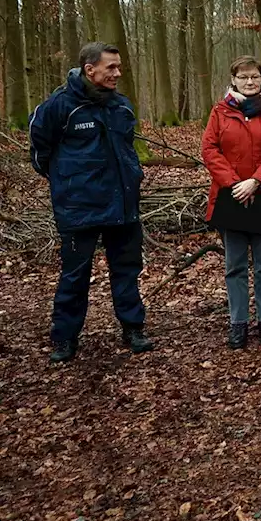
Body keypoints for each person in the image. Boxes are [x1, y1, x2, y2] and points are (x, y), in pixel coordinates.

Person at [29, 42, 155, 363]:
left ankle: (132, 328)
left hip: (123, 205)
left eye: (119, 67)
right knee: (75, 275)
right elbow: (40, 153)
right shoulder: (59, 106)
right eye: (111, 67)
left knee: (126, 270)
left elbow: (125, 150)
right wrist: (67, 183)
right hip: (79, 208)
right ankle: (65, 338)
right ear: (90, 69)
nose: (118, 73)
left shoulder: (121, 106)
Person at [201, 55, 261, 349]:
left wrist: (257, 180)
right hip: (231, 199)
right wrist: (233, 183)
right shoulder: (220, 112)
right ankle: (238, 322)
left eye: (254, 76)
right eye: (243, 77)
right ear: (233, 80)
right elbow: (209, 148)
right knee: (235, 265)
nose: (250, 82)